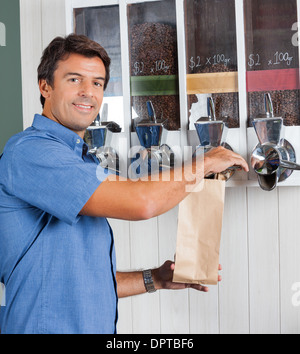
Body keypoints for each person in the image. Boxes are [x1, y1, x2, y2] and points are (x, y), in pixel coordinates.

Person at [0, 34, 248, 334]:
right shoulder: (30, 152)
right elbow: (142, 202)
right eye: (74, 79)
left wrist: (155, 279)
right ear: (45, 86)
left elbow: (83, 285)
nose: (87, 93)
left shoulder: (83, 161)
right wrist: (205, 162)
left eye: (97, 83)